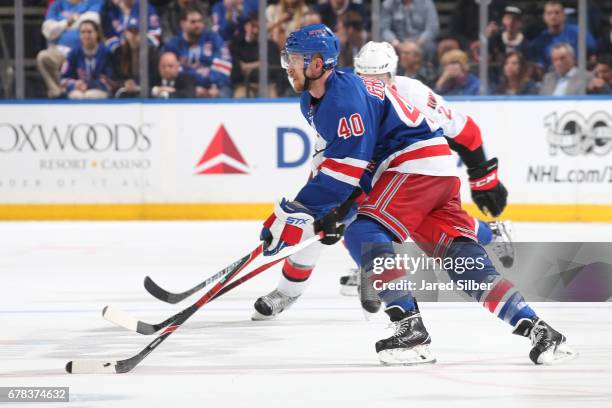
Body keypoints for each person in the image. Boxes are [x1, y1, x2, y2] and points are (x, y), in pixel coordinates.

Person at [255, 24, 575, 365]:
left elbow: (347, 168)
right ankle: (541, 330)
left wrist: (298, 212)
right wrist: (324, 211)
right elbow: (339, 166)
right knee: (462, 262)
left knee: (363, 231)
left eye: (295, 58)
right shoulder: (318, 100)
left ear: (318, 64)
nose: (287, 64)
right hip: (429, 169)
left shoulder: (342, 99)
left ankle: (410, 330)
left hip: (412, 164)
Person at [37, 0, 103, 98]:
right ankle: (58, 93)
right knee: (43, 57)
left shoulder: (93, 2)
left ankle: (86, 89)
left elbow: (91, 21)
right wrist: (67, 22)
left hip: (84, 51)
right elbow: (48, 31)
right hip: (61, 50)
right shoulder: (57, 4)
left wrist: (59, 27)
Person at [164, 7, 233, 98]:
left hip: (215, 87)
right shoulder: (173, 45)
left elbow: (225, 67)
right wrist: (192, 87)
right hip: (185, 88)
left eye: (200, 21)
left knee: (224, 94)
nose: (197, 25)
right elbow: (170, 72)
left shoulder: (214, 39)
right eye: (193, 22)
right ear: (182, 24)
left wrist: (212, 85)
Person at [528, 0, 595, 70]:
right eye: (549, 13)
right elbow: (539, 66)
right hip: (551, 77)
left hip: (578, 74)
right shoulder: (540, 40)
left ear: (564, 15)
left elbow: (593, 55)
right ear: (544, 17)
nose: (553, 16)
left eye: (557, 13)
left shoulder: (578, 33)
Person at [60, 19, 113, 99]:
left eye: (89, 32)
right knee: (77, 96)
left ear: (97, 33)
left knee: (90, 95)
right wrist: (75, 84)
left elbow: (110, 79)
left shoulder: (106, 52)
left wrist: (89, 85)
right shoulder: (73, 53)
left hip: (100, 90)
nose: (86, 35)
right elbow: (63, 78)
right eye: (83, 32)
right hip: (78, 90)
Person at [111, 18, 159, 98]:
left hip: (146, 91)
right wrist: (124, 83)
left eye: (137, 32)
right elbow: (115, 76)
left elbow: (155, 77)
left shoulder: (152, 52)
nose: (134, 36)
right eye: (131, 32)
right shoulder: (118, 52)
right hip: (125, 90)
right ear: (125, 33)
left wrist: (140, 86)